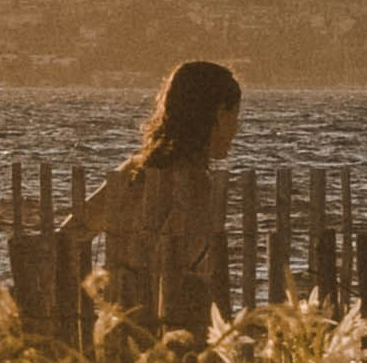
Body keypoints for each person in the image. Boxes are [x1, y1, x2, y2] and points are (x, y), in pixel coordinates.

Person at [57, 56, 241, 334]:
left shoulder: (134, 171)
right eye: (233, 116)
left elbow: (69, 233)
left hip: (121, 327)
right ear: (214, 115)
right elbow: (189, 272)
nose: (235, 129)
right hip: (171, 332)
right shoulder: (197, 185)